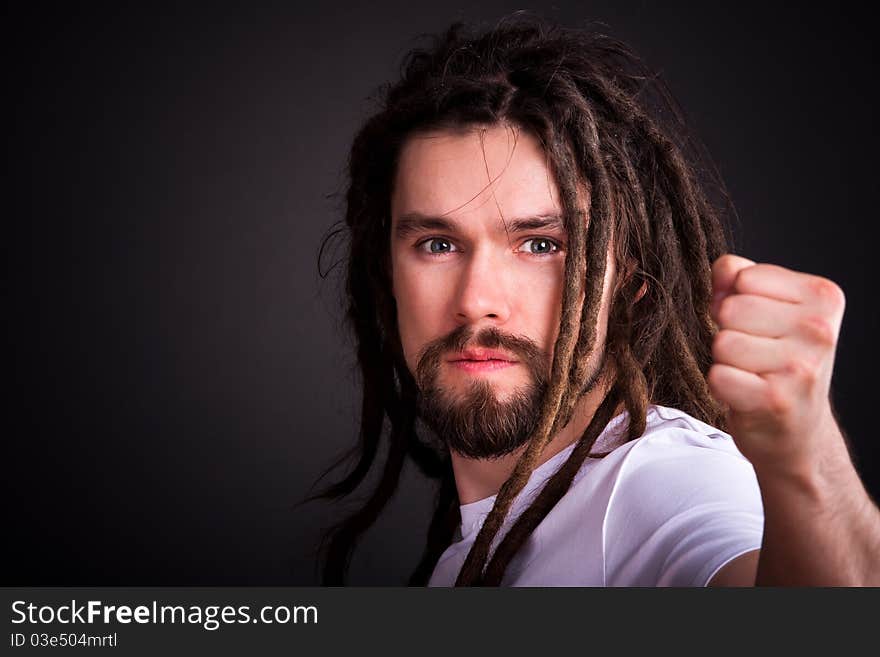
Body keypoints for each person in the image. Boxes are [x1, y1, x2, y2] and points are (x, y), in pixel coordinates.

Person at [307, 14, 880, 586]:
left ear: (627, 281)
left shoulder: (663, 481)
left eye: (539, 244)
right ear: (387, 273)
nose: (476, 300)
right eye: (437, 244)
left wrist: (810, 467)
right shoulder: (479, 546)